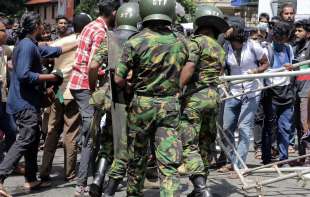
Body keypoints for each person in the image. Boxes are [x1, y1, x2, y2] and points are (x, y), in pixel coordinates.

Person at [114, 0, 187, 196]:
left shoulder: (135, 41)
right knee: (169, 163)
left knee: (137, 159)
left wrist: (130, 85)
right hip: (170, 105)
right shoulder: (180, 41)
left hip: (141, 106)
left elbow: (119, 78)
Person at [0, 11, 75, 197]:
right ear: (35, 27)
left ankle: (31, 178)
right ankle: (1, 176)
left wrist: (79, 42)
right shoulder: (26, 47)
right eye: (41, 25)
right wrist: (51, 77)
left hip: (28, 101)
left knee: (32, 141)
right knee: (26, 138)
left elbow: (54, 50)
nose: (43, 28)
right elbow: (24, 75)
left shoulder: (29, 44)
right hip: (24, 102)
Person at [88, 2, 142, 197]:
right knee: (126, 146)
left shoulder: (109, 38)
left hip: (112, 100)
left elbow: (93, 65)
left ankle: (97, 179)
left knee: (108, 141)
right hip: (133, 101)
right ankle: (111, 188)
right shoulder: (139, 40)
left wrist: (93, 87)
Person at [68, 1, 120, 196]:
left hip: (77, 83)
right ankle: (82, 184)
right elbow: (93, 65)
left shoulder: (91, 25)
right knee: (90, 136)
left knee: (92, 135)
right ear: (113, 12)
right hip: (85, 85)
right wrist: (94, 89)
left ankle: (93, 177)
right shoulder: (101, 32)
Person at [179, 5, 228, 197]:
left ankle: (201, 189)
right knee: (206, 143)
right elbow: (221, 71)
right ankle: (201, 188)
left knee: (189, 144)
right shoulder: (219, 47)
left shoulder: (196, 42)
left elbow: (190, 67)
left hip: (195, 98)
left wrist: (178, 88)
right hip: (213, 97)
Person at [39, 13, 92, 187]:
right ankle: (69, 174)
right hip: (76, 93)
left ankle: (44, 171)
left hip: (59, 92)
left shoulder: (61, 42)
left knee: (52, 131)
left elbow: (46, 55)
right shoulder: (88, 44)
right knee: (71, 134)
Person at [219, 18, 268, 172]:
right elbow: (222, 67)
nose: (225, 30)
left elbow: (265, 63)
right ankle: (231, 160)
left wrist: (256, 71)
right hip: (233, 91)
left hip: (251, 90)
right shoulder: (226, 48)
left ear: (236, 29)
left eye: (228, 27)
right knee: (227, 126)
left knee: (244, 127)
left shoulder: (253, 46)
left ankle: (239, 165)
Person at [261, 21, 295, 165]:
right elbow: (264, 71)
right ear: (273, 36)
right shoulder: (266, 49)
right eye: (278, 38)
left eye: (283, 38)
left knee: (285, 127)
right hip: (271, 92)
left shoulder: (288, 48)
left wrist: (291, 68)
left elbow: (294, 67)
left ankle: (284, 158)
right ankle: (267, 157)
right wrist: (282, 69)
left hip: (287, 91)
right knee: (269, 126)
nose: (280, 41)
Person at [292, 19, 310, 161]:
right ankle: (302, 156)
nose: (296, 33)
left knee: (306, 124)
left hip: (307, 91)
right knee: (299, 125)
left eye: (300, 31)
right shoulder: (296, 47)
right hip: (297, 89)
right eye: (296, 30)